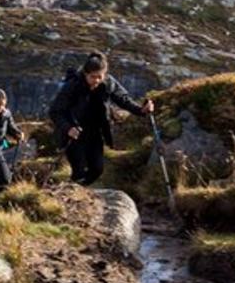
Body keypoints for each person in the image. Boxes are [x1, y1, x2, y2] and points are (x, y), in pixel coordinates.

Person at [48, 51, 155, 186]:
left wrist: (141, 110)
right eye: (93, 77)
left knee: (97, 169)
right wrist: (68, 128)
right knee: (79, 170)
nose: (97, 80)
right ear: (85, 74)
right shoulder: (73, 86)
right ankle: (74, 193)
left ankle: (76, 189)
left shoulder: (109, 83)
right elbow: (55, 111)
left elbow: (123, 99)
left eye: (100, 77)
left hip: (95, 132)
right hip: (73, 134)